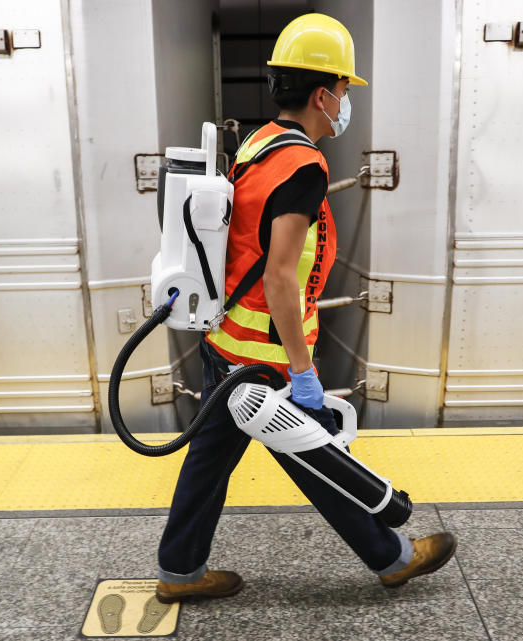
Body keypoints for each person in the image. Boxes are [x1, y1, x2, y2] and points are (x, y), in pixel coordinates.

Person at [155, 13, 456, 603]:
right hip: (263, 354)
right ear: (322, 93)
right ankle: (391, 555)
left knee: (212, 461)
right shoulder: (304, 167)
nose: (347, 100)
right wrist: (301, 370)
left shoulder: (260, 142)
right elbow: (280, 274)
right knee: (314, 454)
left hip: (225, 343)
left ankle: (179, 571)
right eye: (344, 88)